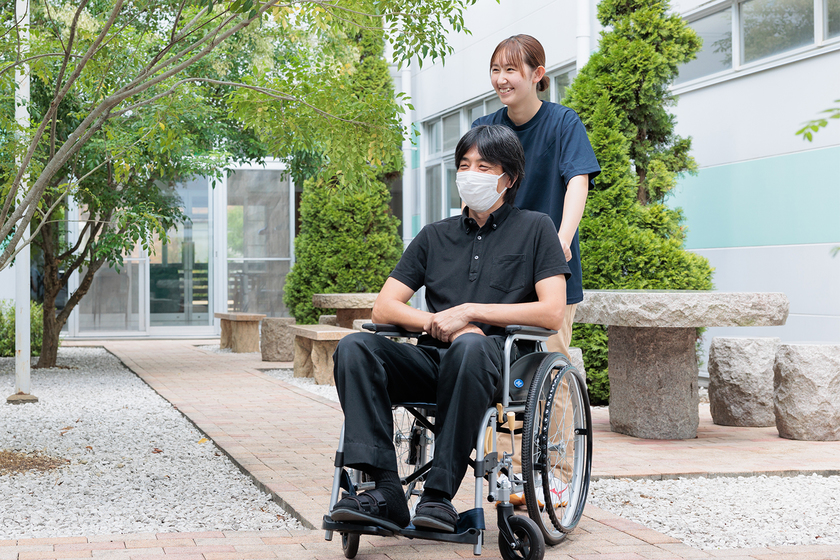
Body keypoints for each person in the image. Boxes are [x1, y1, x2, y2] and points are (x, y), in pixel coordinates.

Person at [329, 125, 570, 534]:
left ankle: (438, 497)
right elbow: (384, 305)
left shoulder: (536, 228)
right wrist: (438, 324)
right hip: (433, 358)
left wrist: (471, 314)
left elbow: (552, 311)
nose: (470, 173)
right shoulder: (434, 236)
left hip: (494, 363)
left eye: (483, 166)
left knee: (471, 349)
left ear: (508, 178)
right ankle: (386, 491)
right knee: (354, 346)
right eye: (464, 165)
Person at [472, 34, 601, 507]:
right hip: (499, 274)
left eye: (512, 70)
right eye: (495, 70)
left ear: (537, 74)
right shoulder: (486, 125)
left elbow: (577, 182)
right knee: (502, 377)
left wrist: (562, 241)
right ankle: (514, 478)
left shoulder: (563, 123)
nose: (502, 79)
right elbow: (475, 187)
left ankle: (559, 475)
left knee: (549, 373)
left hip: (549, 275)